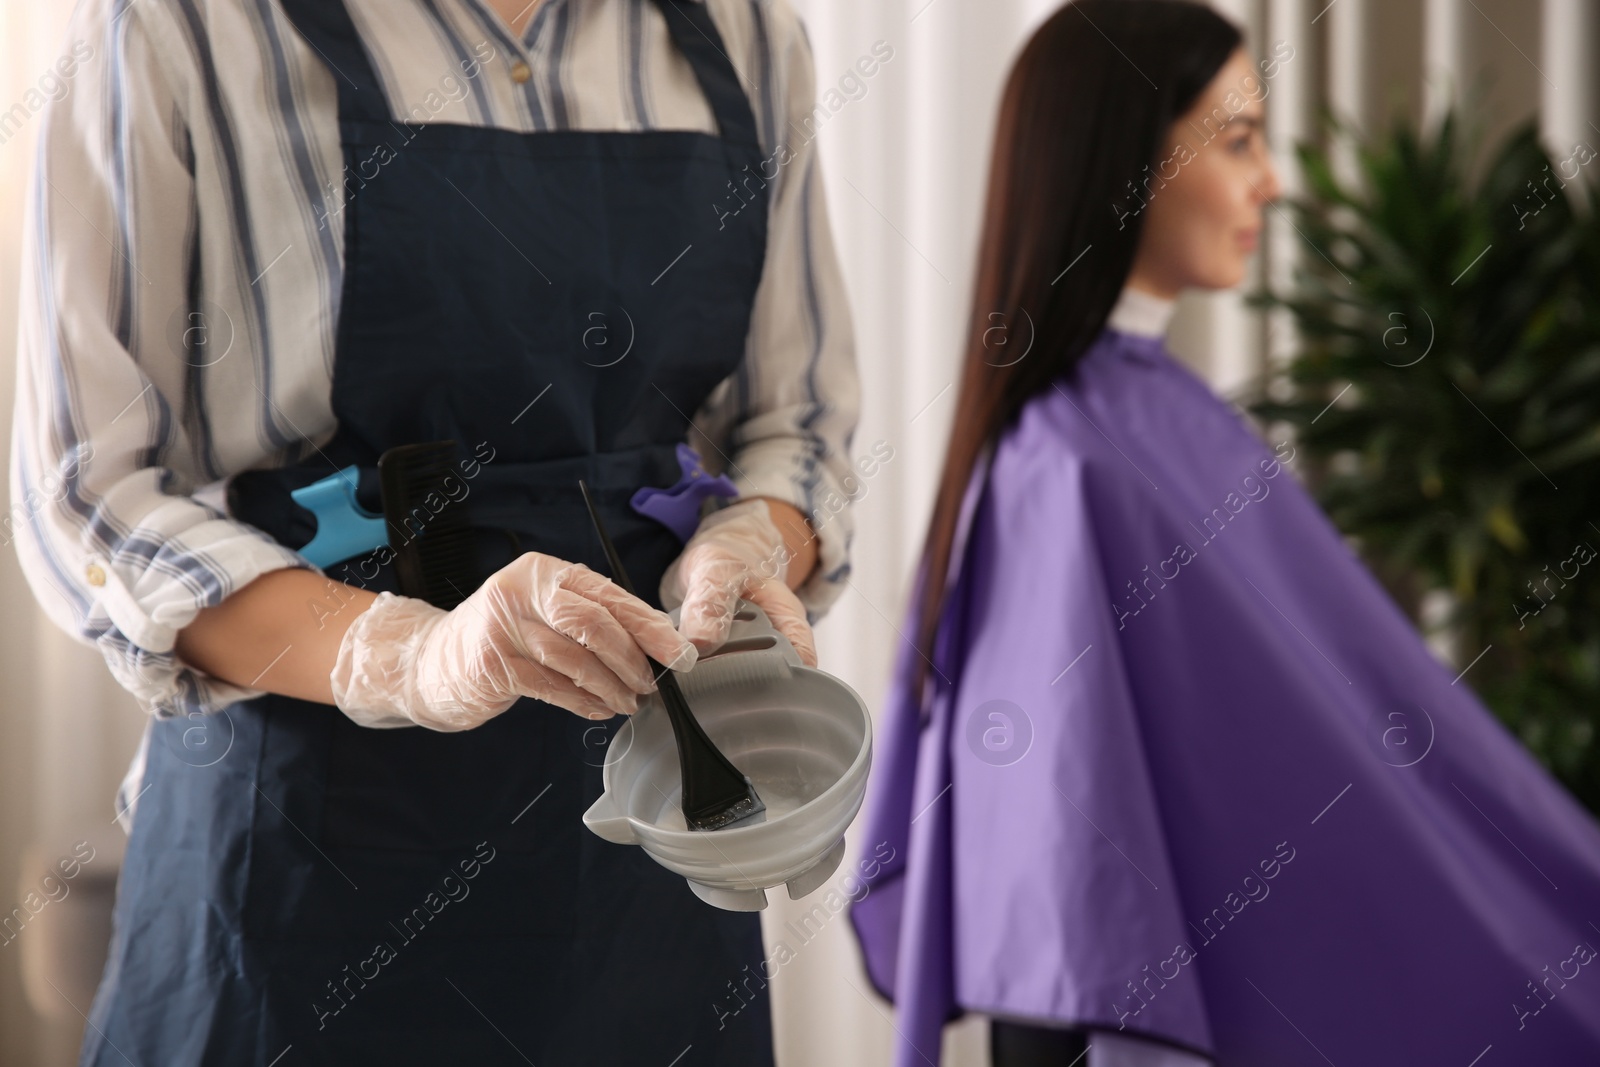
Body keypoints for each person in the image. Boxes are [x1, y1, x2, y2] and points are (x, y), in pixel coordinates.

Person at [10, 0, 858, 1063]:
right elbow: (94, 492)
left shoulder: (744, 34)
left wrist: (752, 544)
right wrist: (404, 653)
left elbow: (804, 426)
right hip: (300, 855)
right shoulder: (174, 28)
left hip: (649, 851)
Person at [848, 2, 1600, 1066]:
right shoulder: (1071, 468)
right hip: (1101, 1010)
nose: (1271, 182)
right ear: (1123, 161)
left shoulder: (1171, 421)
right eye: (1238, 139)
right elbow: (1077, 848)